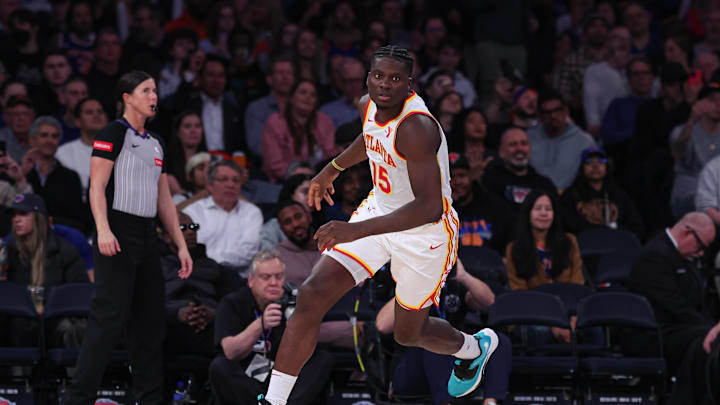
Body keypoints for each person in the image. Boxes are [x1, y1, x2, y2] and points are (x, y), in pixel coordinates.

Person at [258, 46, 498, 405]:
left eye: (395, 79)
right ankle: (273, 401)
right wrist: (333, 167)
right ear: (368, 77)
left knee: (407, 333)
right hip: (380, 209)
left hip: (425, 232)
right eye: (378, 76)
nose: (385, 85)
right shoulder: (367, 104)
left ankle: (471, 348)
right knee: (310, 296)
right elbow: (370, 140)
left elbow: (430, 207)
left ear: (410, 85)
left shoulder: (417, 127)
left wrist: (353, 230)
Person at [65, 71, 192, 405]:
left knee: (150, 326)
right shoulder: (112, 133)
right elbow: (96, 186)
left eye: (155, 90)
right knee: (107, 321)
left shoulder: (156, 142)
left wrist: (180, 244)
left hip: (148, 235)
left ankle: (149, 400)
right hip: (117, 232)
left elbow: (164, 199)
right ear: (127, 97)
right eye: (146, 90)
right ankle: (77, 399)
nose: (154, 96)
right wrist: (103, 230)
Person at [375, 257, 510, 405]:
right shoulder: (405, 279)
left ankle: (491, 402)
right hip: (412, 366)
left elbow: (488, 301)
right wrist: (416, 283)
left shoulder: (452, 283)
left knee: (498, 340)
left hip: (455, 360)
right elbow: (382, 325)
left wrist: (463, 276)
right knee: (434, 341)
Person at [210, 250, 334, 404]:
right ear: (251, 280)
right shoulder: (233, 303)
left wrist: (296, 328)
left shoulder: (293, 302)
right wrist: (260, 324)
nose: (274, 283)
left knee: (322, 359)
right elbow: (230, 352)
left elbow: (308, 348)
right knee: (220, 366)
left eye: (279, 276)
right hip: (246, 379)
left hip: (281, 375)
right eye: (266, 277)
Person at [627, 212, 719, 405]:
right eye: (701, 246)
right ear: (687, 233)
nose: (701, 253)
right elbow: (675, 306)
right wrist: (711, 330)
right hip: (652, 333)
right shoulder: (654, 255)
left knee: (707, 337)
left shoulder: (683, 257)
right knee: (705, 339)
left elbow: (697, 306)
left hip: (679, 328)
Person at [2, 193, 89, 348]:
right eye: (14, 215)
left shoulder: (64, 250)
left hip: (56, 319)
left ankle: (78, 372)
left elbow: (80, 292)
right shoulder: (8, 252)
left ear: (38, 217)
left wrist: (49, 305)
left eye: (23, 214)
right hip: (19, 321)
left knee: (74, 329)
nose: (16, 219)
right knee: (18, 325)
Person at [505, 190, 584, 344]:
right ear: (528, 213)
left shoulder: (570, 243)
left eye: (548, 209)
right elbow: (519, 293)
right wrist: (553, 324)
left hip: (569, 313)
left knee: (593, 330)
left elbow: (577, 285)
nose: (543, 214)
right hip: (532, 315)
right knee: (539, 332)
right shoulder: (514, 249)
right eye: (538, 209)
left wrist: (573, 319)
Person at [163, 211, 230, 359]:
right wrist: (177, 314)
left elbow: (235, 298)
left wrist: (215, 313)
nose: (190, 232)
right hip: (169, 327)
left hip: (210, 324)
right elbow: (145, 303)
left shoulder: (211, 266)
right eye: (182, 228)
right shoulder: (155, 266)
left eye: (193, 227)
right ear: (166, 237)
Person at [182, 159, 263, 273]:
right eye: (223, 179)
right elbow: (193, 248)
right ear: (210, 185)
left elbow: (248, 253)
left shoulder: (252, 212)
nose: (230, 185)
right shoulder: (193, 211)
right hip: (201, 274)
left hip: (240, 279)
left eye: (236, 180)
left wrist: (209, 259)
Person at [261, 80, 336, 182]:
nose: (308, 97)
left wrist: (315, 176)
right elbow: (274, 163)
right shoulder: (275, 122)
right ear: (291, 98)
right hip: (282, 182)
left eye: (312, 94)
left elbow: (329, 155)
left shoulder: (325, 122)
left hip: (319, 180)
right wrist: (300, 177)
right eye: (303, 92)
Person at [22, 116, 88, 232]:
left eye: (54, 136)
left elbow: (79, 220)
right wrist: (22, 176)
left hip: (61, 236)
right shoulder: (19, 172)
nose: (50, 140)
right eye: (44, 135)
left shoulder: (70, 177)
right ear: (32, 140)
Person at [560, 147, 644, 237]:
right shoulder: (571, 195)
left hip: (616, 244)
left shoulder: (619, 195)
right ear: (582, 167)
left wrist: (617, 231)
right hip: (584, 247)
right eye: (589, 162)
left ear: (607, 166)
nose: (595, 166)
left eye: (600, 161)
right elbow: (566, 227)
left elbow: (637, 227)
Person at [670, 74, 720, 217]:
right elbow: (677, 154)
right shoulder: (682, 130)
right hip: (689, 193)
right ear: (698, 103)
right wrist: (692, 119)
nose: (718, 104)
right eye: (712, 100)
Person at [527, 90, 596, 190]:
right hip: (535, 198)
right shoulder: (527, 139)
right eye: (547, 112)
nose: (553, 116)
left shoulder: (585, 142)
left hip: (572, 199)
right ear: (539, 116)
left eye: (557, 110)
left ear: (566, 111)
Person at [450, 153, 513, 253]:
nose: (457, 182)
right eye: (450, 177)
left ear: (471, 176)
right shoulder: (438, 211)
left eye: (461, 176)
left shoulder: (495, 207)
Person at [244, 57, 296, 162]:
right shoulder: (256, 108)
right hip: (266, 167)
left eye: (289, 73)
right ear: (269, 79)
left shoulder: (302, 107)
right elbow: (256, 146)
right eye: (280, 72)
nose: (285, 77)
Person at [56, 97, 108, 199]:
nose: (96, 115)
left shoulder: (120, 150)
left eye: (100, 112)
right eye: (89, 112)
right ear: (78, 121)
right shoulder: (63, 152)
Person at [165, 110, 207, 195]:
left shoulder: (209, 160)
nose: (193, 130)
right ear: (178, 132)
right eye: (187, 126)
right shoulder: (166, 161)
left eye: (198, 126)